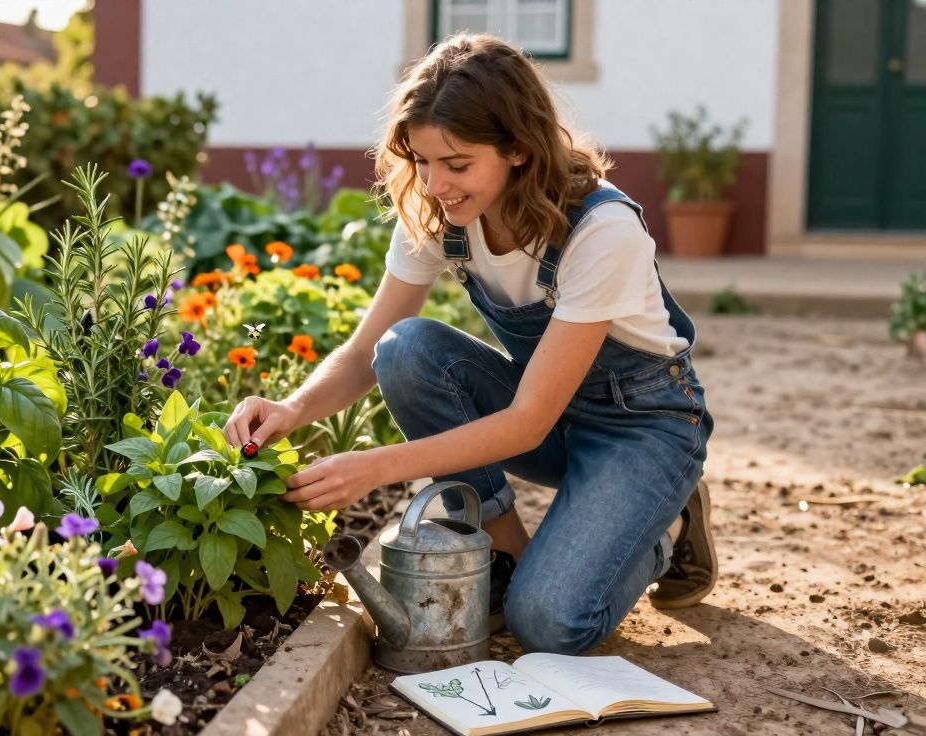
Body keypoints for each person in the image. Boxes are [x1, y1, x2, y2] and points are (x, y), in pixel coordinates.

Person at [221, 33, 716, 655]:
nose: (435, 184)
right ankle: (505, 556)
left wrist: (373, 468)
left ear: (518, 149)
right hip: (553, 414)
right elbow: (364, 352)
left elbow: (526, 423)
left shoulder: (601, 230)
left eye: (457, 165)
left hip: (641, 426)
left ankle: (668, 519)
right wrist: (292, 409)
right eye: (423, 161)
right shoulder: (436, 213)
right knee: (405, 350)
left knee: (551, 626)